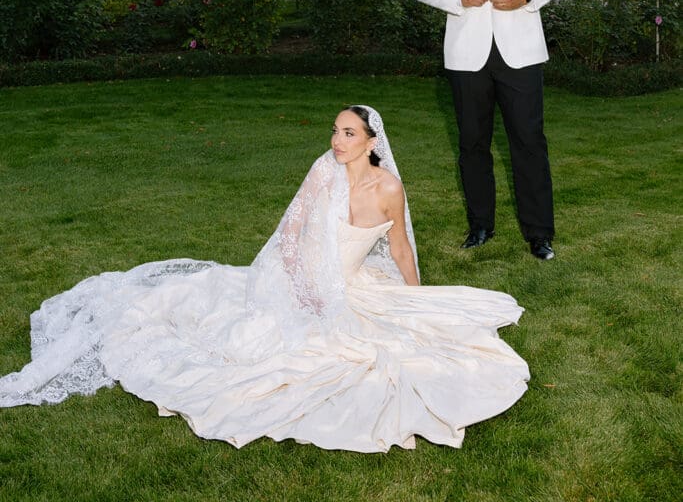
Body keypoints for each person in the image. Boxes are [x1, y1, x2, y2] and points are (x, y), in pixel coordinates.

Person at [0, 105, 529, 453]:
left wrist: (417, 301)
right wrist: (305, 288)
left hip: (357, 285)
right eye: (335, 130)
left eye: (348, 133)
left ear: (371, 141)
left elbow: (399, 246)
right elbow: (293, 238)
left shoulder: (388, 188)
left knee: (392, 349)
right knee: (255, 340)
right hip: (300, 278)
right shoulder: (323, 171)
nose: (337, 140)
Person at [412, 0, 571, 261]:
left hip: (521, 51)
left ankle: (539, 234)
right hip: (467, 53)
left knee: (530, 143)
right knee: (472, 144)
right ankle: (480, 226)